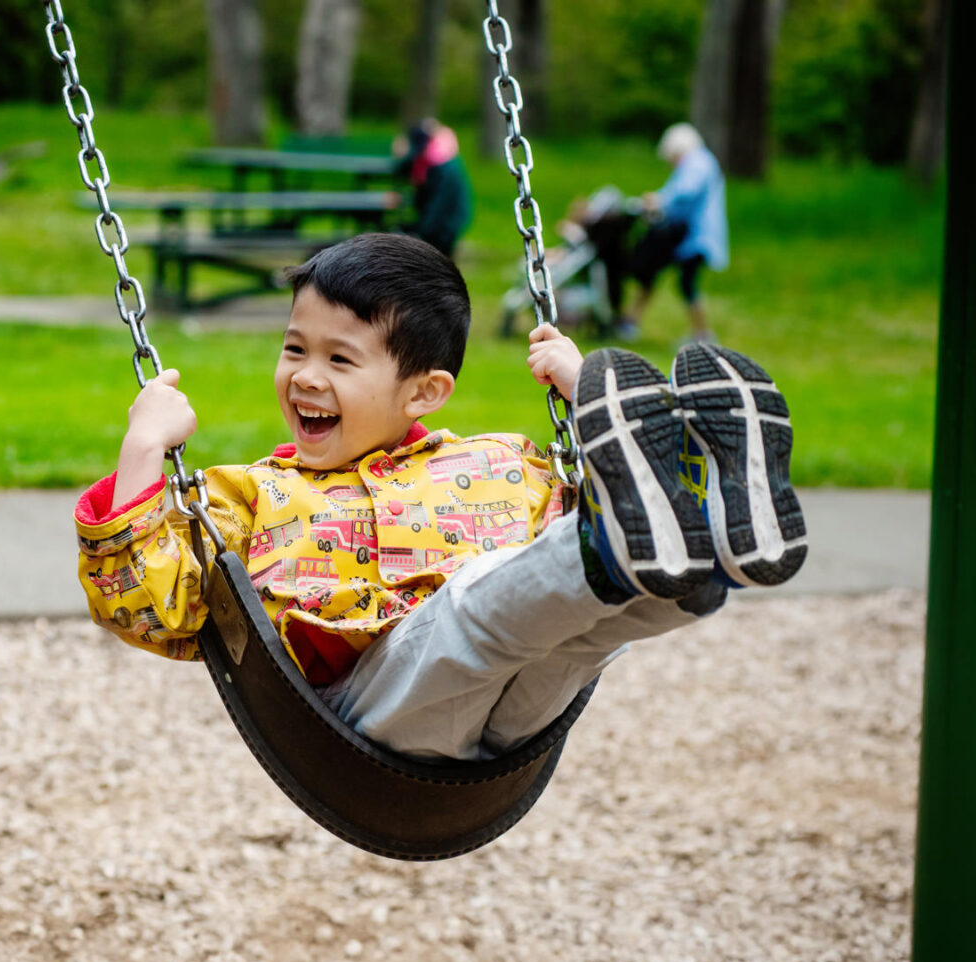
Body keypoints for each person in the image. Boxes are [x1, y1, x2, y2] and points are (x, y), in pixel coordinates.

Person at [75, 233, 805, 762]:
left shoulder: (503, 465)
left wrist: (585, 396)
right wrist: (143, 448)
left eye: (340, 358)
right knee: (469, 614)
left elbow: (582, 507)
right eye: (295, 348)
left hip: (516, 719)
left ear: (424, 391)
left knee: (594, 626)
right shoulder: (250, 495)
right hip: (371, 714)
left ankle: (710, 539)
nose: (305, 376)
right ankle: (629, 539)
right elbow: (151, 604)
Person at [618, 122, 729, 344]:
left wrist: (659, 200)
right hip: (686, 236)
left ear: (677, 150)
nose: (672, 163)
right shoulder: (700, 161)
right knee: (654, 275)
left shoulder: (697, 162)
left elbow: (686, 191)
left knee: (685, 283)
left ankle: (703, 335)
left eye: (672, 157)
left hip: (693, 237)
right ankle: (630, 322)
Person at [392, 119, 474, 258]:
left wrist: (420, 233)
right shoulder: (430, 160)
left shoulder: (441, 165)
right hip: (440, 222)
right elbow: (406, 171)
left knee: (439, 260)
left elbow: (439, 207)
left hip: (444, 225)